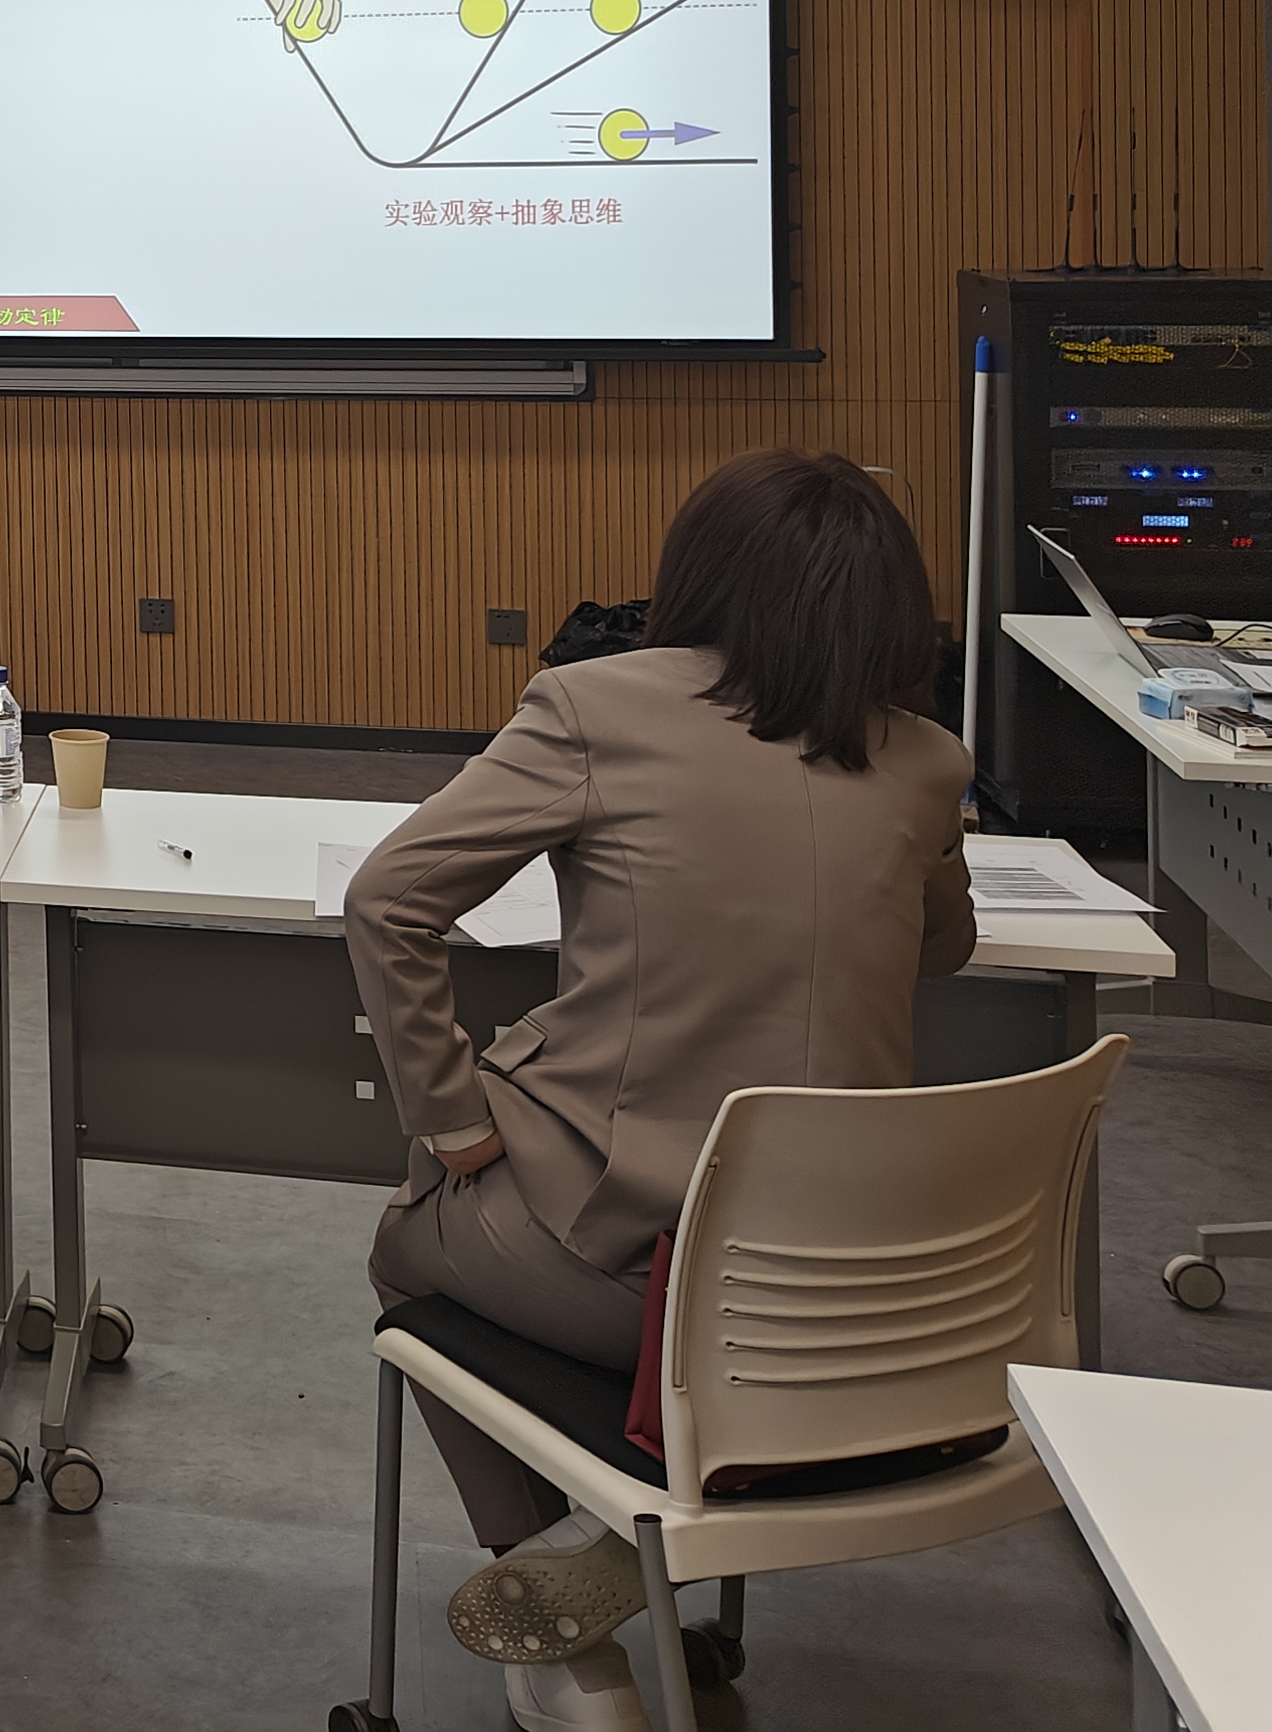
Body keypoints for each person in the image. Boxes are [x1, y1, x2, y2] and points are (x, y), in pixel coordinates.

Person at [346, 449, 976, 1732]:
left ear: (698, 576)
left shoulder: (593, 707)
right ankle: (606, 1546)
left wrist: (453, 1119)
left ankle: (559, 1612)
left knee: (409, 1250)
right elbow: (944, 947)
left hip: (660, 1278)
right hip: (871, 1300)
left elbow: (388, 898)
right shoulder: (927, 761)